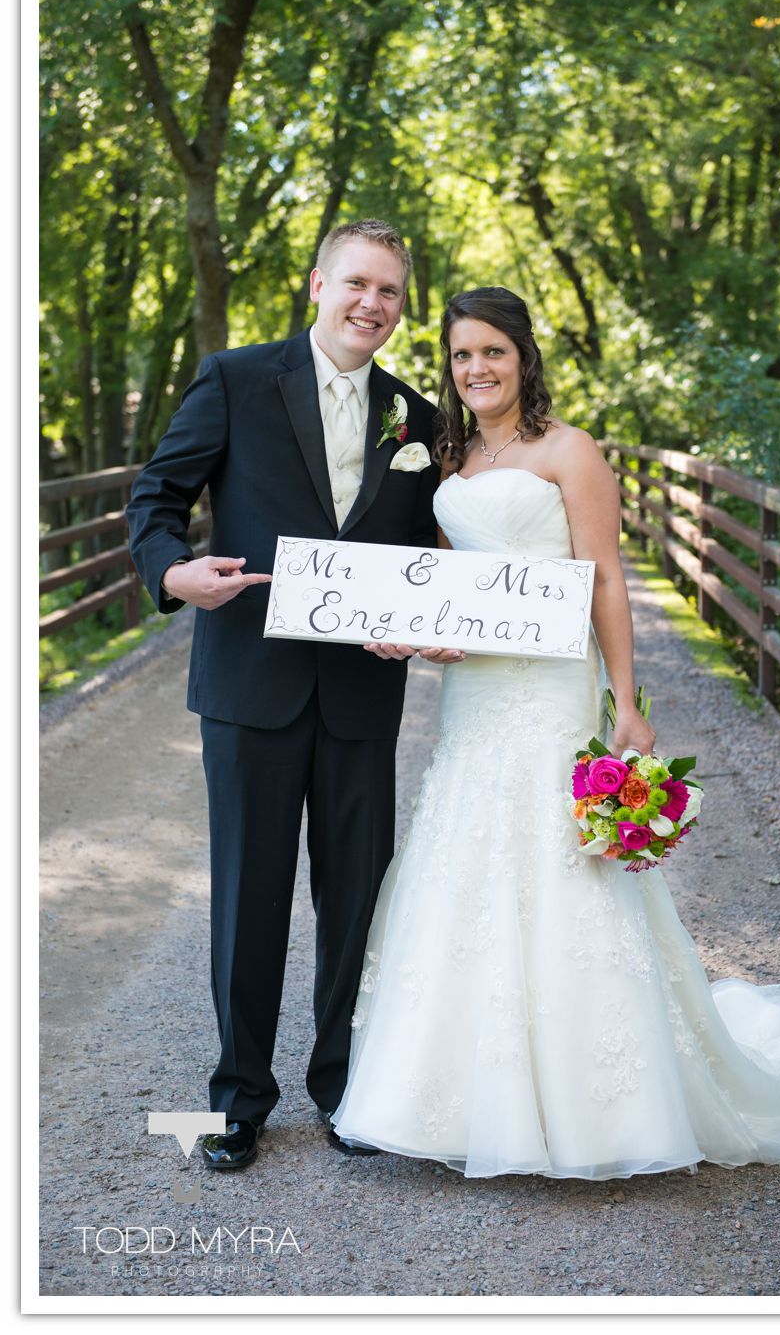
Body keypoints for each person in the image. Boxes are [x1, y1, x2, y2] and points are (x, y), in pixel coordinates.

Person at [332, 286, 780, 1179]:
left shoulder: (569, 450)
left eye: (493, 353)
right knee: (465, 855)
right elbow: (445, 579)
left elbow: (605, 582)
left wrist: (627, 703)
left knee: (559, 860)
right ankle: (450, 1097)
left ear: (523, 357)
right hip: (474, 692)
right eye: (462, 354)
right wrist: (426, 635)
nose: (476, 369)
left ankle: (604, 1104)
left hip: (552, 689)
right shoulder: (444, 456)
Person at [127, 219, 448, 1170]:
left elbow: (429, 556)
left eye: (389, 291)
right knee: (249, 896)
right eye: (356, 283)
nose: (370, 304)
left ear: (400, 305)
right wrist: (172, 575)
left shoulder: (417, 420)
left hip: (360, 692)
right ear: (317, 285)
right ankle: (238, 1099)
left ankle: (343, 1087)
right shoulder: (235, 378)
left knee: (353, 899)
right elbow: (155, 496)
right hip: (249, 683)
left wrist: (435, 618)